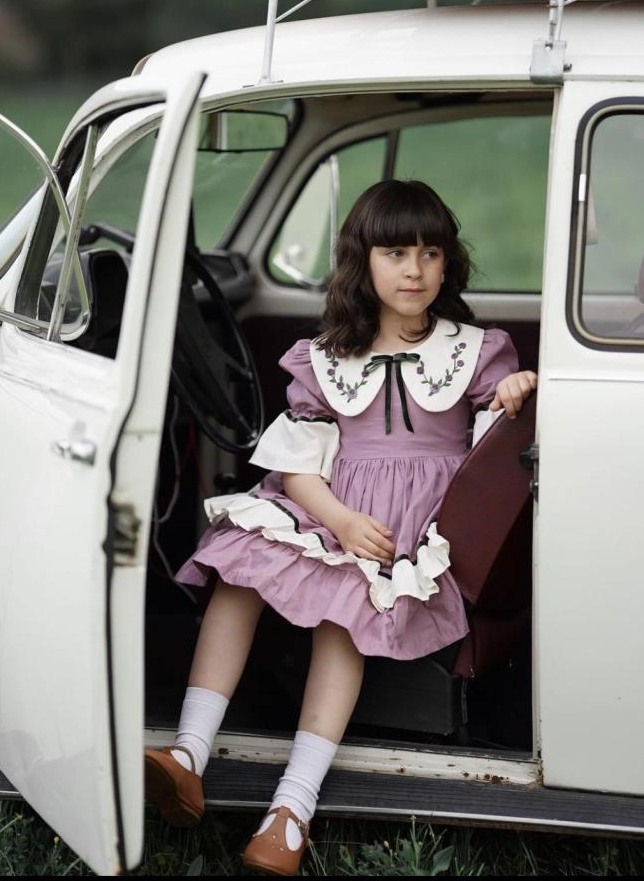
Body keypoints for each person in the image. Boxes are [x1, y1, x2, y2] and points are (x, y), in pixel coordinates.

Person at [144, 179, 537, 876]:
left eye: (430, 253)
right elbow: (297, 468)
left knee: (343, 611)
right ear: (364, 261)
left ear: (448, 263)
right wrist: (339, 520)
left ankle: (291, 808)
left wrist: (513, 390)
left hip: (412, 531)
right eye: (395, 253)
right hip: (333, 510)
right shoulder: (326, 357)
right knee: (240, 566)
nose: (414, 270)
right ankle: (188, 752)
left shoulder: (475, 352)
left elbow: (494, 441)